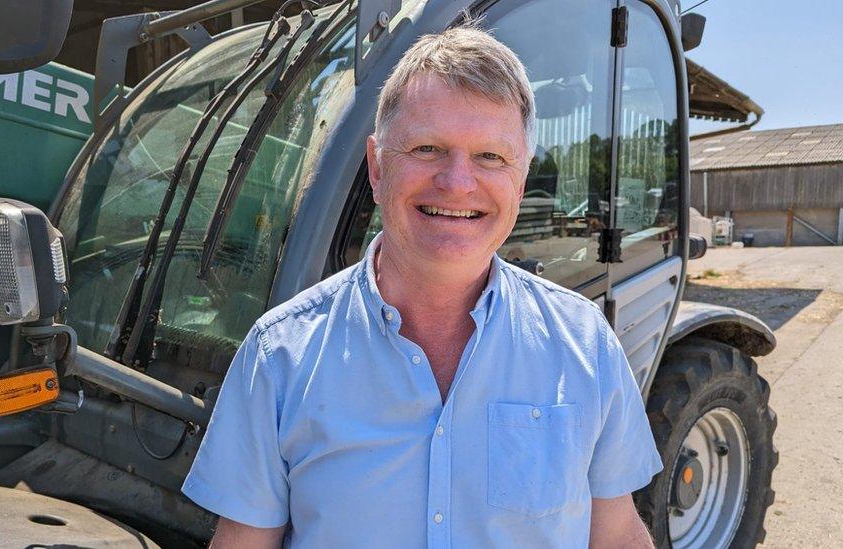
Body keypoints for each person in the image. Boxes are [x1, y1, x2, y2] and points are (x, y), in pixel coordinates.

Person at [182, 25, 662, 548]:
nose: (457, 183)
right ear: (377, 165)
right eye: (428, 148)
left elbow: (616, 535)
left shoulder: (586, 344)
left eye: (490, 157)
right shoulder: (280, 356)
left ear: (520, 182)